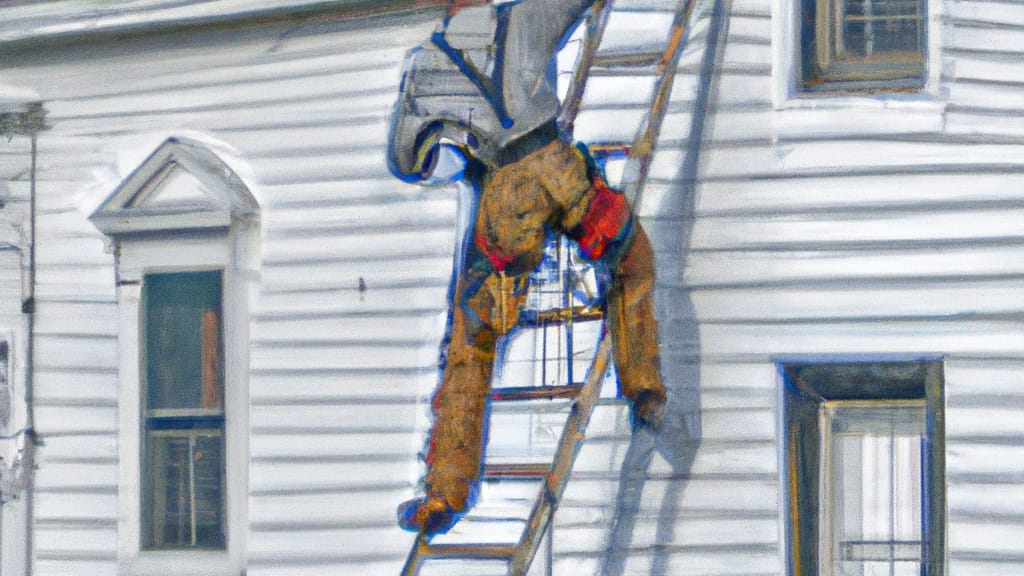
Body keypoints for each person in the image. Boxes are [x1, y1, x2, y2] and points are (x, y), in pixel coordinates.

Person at [387, 0, 666, 537]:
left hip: (504, 202)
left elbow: (408, 161)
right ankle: (644, 388)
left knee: (474, 338)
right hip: (563, 174)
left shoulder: (425, 63)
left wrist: (460, 153)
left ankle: (445, 492)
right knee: (631, 259)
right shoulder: (525, 17)